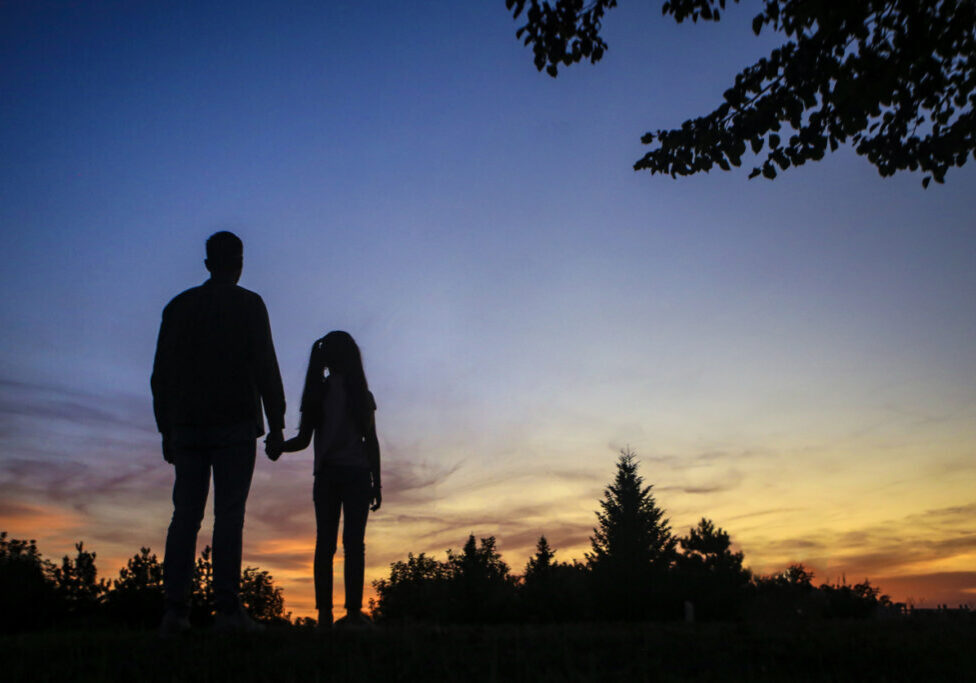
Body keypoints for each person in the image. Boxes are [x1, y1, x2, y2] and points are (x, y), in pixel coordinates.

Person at [151, 231, 285, 636]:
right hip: (235, 424)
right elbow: (265, 363)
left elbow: (162, 375)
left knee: (185, 517)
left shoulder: (179, 307)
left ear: (208, 263)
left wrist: (166, 427)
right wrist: (276, 422)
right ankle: (227, 612)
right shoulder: (249, 304)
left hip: (188, 426)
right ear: (239, 262)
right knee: (228, 517)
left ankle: (176, 613)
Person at [266, 331, 381, 629]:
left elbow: (303, 441)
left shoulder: (318, 392)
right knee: (353, 545)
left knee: (325, 545)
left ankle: (325, 617)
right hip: (355, 475)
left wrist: (279, 447)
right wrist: (376, 482)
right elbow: (372, 442)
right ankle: (353, 614)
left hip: (329, 476)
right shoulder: (360, 394)